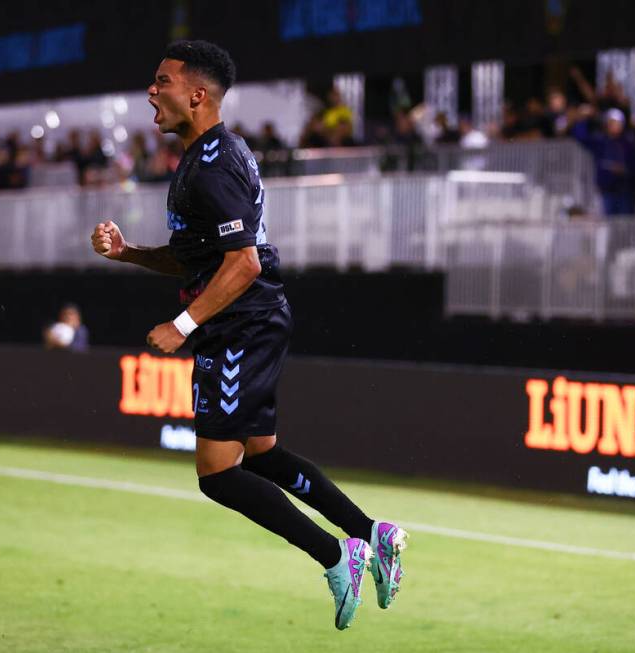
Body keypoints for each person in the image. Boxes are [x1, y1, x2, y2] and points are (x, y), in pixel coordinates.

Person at [90, 40, 407, 631]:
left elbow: (244, 263)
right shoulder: (208, 155)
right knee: (260, 453)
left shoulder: (210, 168)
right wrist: (130, 254)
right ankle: (371, 532)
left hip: (240, 322)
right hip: (249, 318)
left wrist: (182, 325)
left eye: (163, 82)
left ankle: (338, 555)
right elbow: (203, 259)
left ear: (198, 94)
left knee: (216, 473)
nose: (151, 92)